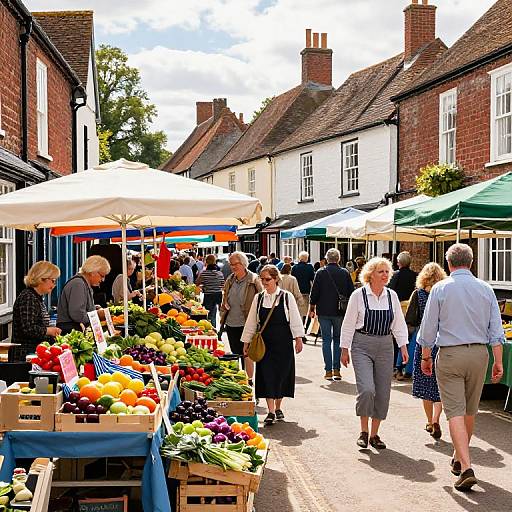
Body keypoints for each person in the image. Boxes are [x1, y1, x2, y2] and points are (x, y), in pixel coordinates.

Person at [418, 244, 504, 491]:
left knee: (454, 411)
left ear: (449, 264)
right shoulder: (486, 289)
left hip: (450, 354)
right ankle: (458, 458)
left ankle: (466, 466)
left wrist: (425, 357)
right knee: (469, 410)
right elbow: (496, 332)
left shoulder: (440, 288)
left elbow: (428, 329)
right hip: (479, 354)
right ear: (472, 261)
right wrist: (498, 361)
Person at [341, 257, 409, 450]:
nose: (386, 275)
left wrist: (403, 347)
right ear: (370, 274)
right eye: (381, 271)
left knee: (383, 392)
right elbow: (348, 324)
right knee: (367, 389)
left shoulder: (391, 296)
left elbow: (398, 324)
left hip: (386, 346)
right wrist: (344, 349)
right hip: (362, 344)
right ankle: (363, 431)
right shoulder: (358, 295)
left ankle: (374, 434)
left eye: (387, 272)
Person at [241, 265, 304, 425]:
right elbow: (251, 322)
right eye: (262, 279)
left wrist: (298, 338)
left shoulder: (286, 297)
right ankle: (270, 411)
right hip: (264, 344)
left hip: (283, 343)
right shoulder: (259, 298)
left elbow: (295, 318)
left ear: (276, 279)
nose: (264, 282)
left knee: (282, 375)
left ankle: (278, 406)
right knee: (267, 374)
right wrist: (246, 342)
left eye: (267, 279)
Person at [406, 263, 446, 439]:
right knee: (440, 385)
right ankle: (437, 419)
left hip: (424, 342)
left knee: (424, 384)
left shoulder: (419, 294)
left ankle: (430, 421)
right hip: (443, 341)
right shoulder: (445, 293)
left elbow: (411, 318)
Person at [309, 248, 354, 381]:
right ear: (338, 259)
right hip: (339, 311)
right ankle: (337, 370)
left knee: (326, 340)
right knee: (338, 339)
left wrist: (312, 307)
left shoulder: (321, 272)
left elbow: (315, 291)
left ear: (327, 259)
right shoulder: (344, 273)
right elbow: (351, 292)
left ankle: (328, 370)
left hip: (323, 311)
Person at [220, 252, 263, 381]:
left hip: (247, 323)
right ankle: (240, 379)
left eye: (235, 264)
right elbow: (225, 296)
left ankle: (249, 381)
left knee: (247, 354)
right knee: (236, 353)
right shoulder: (230, 279)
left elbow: (262, 299)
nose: (233, 267)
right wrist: (225, 305)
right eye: (231, 264)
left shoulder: (254, 280)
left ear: (243, 264)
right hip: (231, 323)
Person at [11, 261, 62, 361]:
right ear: (41, 278)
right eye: (52, 280)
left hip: (33, 353)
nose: (54, 285)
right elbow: (28, 328)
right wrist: (49, 330)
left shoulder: (36, 297)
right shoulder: (28, 297)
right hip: (25, 356)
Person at [57, 255, 111, 334]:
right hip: (71, 331)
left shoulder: (83, 283)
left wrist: (93, 308)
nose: (103, 280)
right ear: (93, 272)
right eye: (102, 276)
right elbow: (77, 313)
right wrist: (96, 316)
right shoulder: (78, 284)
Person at [388, 251, 418, 378]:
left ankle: (396, 366)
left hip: (398, 309)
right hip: (411, 311)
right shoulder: (415, 276)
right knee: (408, 340)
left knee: (396, 339)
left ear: (398, 262)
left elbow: (390, 291)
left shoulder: (395, 275)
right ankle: (405, 366)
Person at [196, 254, 225, 328]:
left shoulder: (204, 273)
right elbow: (223, 285)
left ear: (206, 262)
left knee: (209, 313)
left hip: (208, 295)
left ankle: (210, 328)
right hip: (218, 294)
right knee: (215, 312)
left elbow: (197, 282)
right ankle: (215, 328)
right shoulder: (219, 273)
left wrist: (205, 285)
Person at [291, 251, 315, 327]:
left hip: (296, 291)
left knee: (298, 310)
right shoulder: (310, 267)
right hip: (306, 291)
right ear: (307, 259)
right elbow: (313, 279)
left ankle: (298, 325)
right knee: (305, 310)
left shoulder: (295, 267)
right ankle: (304, 325)